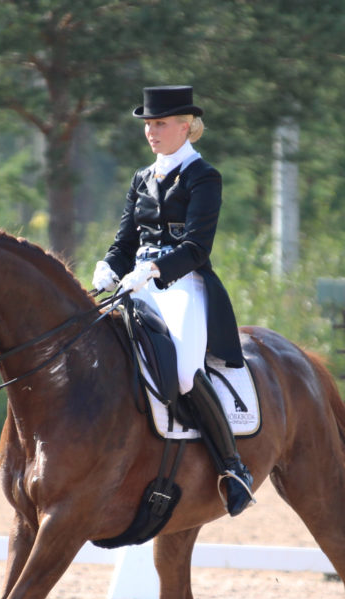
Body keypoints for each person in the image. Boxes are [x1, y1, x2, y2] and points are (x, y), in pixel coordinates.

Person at [92, 85, 254, 516]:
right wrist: (109, 264)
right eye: (148, 124)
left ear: (187, 126)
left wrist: (157, 269)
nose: (151, 131)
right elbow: (125, 239)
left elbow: (198, 247)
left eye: (160, 123)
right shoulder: (141, 178)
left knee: (183, 371)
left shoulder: (204, 177)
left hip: (182, 285)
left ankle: (233, 467)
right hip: (136, 282)